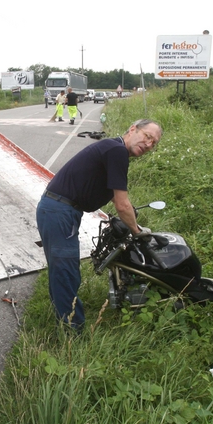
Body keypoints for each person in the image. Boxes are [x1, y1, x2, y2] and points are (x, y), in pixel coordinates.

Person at [36, 119, 163, 330]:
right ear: (133, 129)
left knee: (62, 270)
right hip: (60, 211)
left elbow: (116, 198)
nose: (149, 144)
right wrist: (137, 231)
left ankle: (63, 318)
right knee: (66, 272)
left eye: (154, 143)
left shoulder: (113, 149)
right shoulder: (117, 151)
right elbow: (122, 204)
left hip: (58, 210)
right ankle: (72, 331)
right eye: (148, 137)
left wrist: (128, 218)